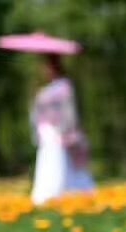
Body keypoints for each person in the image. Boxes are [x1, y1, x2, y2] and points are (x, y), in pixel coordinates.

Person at [29, 55, 94, 205]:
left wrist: (64, 131)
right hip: (47, 136)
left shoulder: (64, 87)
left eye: (46, 67)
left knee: (63, 168)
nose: (44, 71)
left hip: (59, 136)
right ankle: (49, 197)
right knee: (50, 167)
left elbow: (69, 114)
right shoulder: (47, 88)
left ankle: (60, 195)